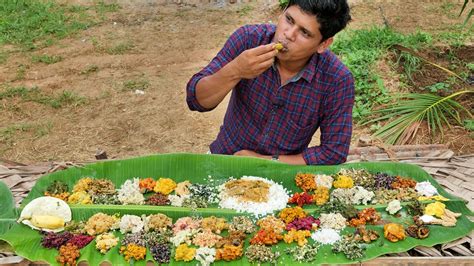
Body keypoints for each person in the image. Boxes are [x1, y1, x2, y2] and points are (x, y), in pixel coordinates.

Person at [186, 0, 354, 165]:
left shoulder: (336, 80)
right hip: (224, 157)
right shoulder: (248, 40)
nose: (288, 34)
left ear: (323, 44)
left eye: (304, 32)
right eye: (289, 19)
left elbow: (334, 152)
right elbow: (196, 100)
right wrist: (236, 70)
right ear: (282, 12)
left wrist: (264, 161)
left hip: (280, 178)